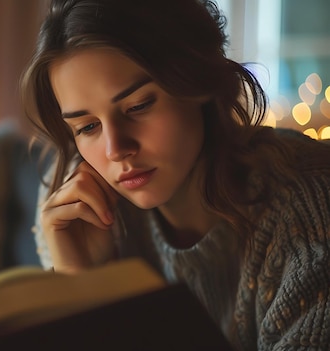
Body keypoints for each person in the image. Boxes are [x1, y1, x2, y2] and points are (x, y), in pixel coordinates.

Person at [19, 0, 330, 350]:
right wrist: (83, 284)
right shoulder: (72, 213)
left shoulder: (311, 202)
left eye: (138, 106)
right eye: (87, 126)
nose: (116, 149)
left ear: (197, 80)